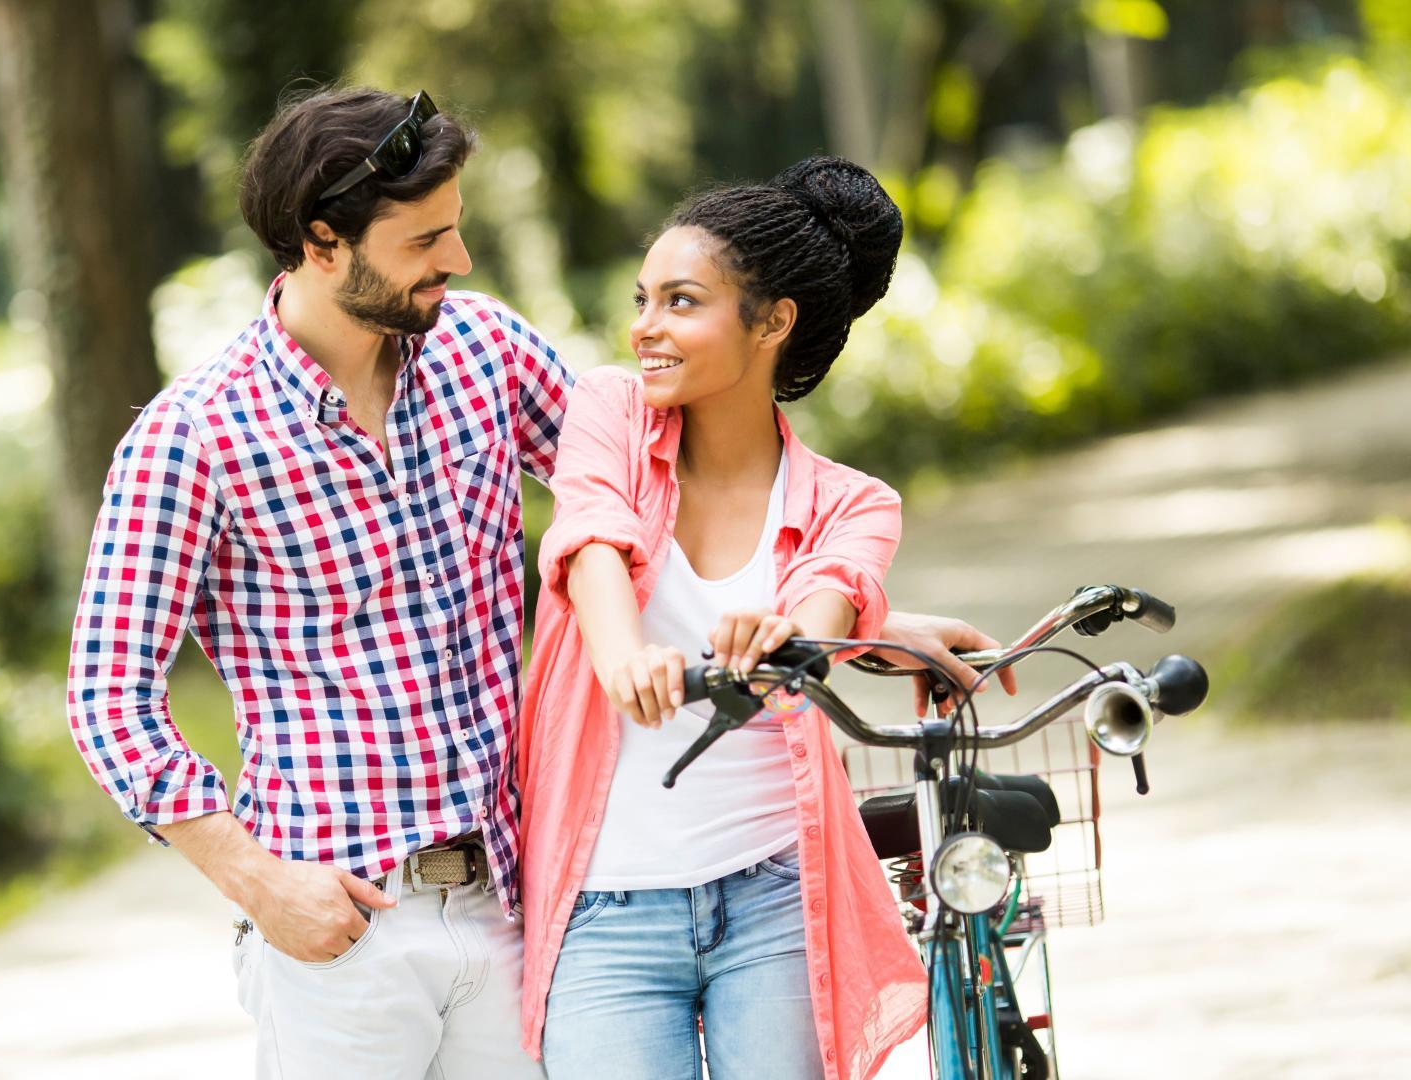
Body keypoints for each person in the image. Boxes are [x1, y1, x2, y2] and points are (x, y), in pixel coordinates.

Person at [65, 85, 1013, 1079]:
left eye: (457, 230)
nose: (458, 261)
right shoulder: (194, 438)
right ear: (323, 240)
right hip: (339, 923)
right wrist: (257, 883)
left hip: (515, 904)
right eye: (426, 239)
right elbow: (107, 699)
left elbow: (647, 505)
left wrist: (855, 623)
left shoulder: (483, 352)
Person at [517, 158, 955, 1080]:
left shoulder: (854, 501)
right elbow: (591, 532)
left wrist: (788, 636)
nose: (644, 328)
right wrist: (620, 653)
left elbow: (825, 602)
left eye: (681, 302)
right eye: (644, 299)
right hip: (605, 906)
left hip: (775, 897)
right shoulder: (607, 411)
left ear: (772, 322)